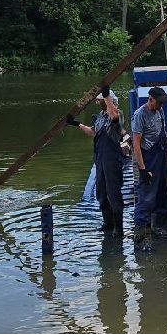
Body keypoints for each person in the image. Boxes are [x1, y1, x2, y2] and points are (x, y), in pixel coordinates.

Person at [67, 86, 125, 236]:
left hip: (112, 158)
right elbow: (94, 133)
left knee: (114, 193)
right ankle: (108, 222)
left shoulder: (117, 114)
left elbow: (114, 117)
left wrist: (106, 97)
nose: (98, 102)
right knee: (101, 192)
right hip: (100, 158)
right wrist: (77, 124)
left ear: (108, 101)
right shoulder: (100, 116)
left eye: (101, 100)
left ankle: (118, 228)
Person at [131, 86, 167, 250]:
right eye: (159, 102)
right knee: (147, 196)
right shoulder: (140, 115)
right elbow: (136, 144)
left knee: (162, 193)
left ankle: (158, 227)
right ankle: (141, 237)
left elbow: (164, 134)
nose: (161, 106)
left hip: (161, 155)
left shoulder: (159, 111)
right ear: (150, 100)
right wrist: (142, 169)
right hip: (148, 158)